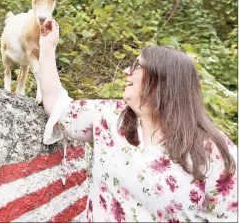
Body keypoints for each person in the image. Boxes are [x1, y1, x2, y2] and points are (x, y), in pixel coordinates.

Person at [39, 20, 238, 222]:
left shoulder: (216, 152)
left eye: (136, 65)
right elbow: (59, 108)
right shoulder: (110, 117)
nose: (126, 71)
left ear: (162, 79)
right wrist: (47, 47)